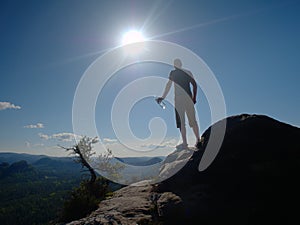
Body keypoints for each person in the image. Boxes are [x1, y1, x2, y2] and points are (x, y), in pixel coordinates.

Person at [157, 58, 201, 149]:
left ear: (174, 65)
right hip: (188, 99)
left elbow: (168, 85)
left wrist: (163, 97)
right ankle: (198, 140)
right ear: (181, 64)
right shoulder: (187, 72)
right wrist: (194, 98)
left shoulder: (173, 73)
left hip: (179, 99)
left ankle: (185, 144)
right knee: (192, 120)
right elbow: (194, 85)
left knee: (181, 122)